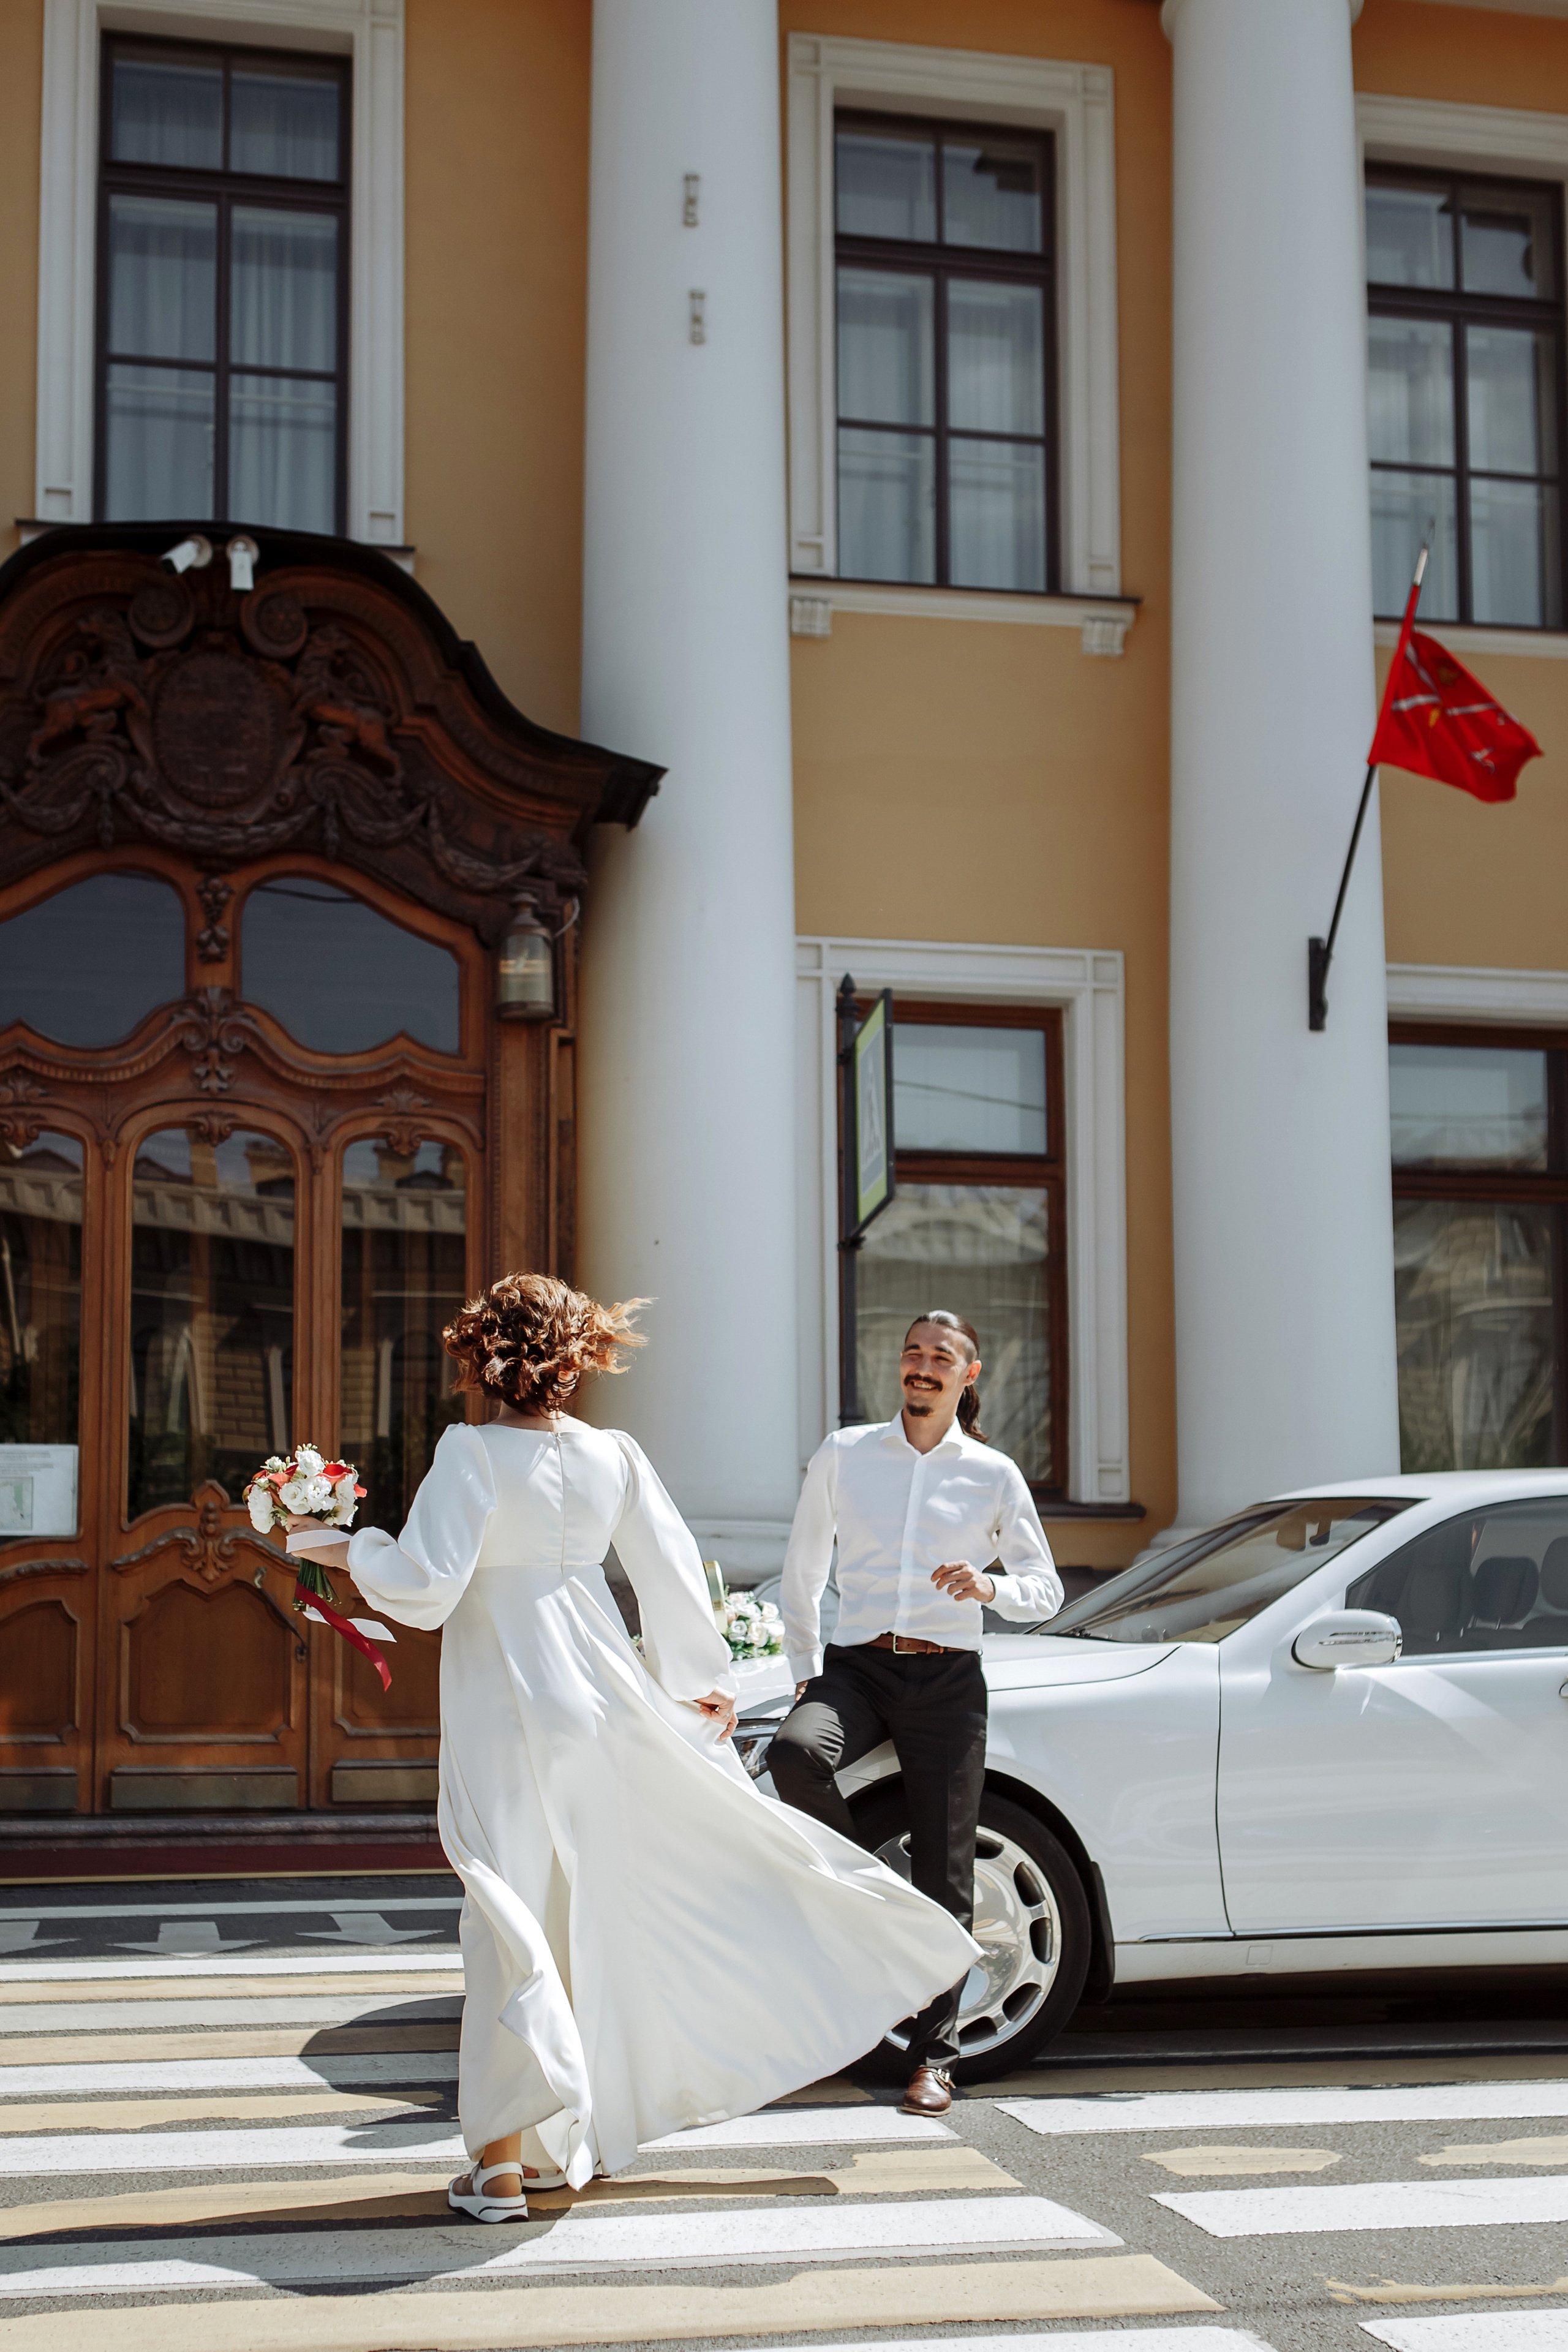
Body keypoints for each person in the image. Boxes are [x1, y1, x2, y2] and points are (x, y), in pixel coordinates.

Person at [287, 1274, 977, 2223]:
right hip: (600, 1695)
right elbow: (670, 1571)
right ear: (576, 1360)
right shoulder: (614, 1454)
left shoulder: (469, 1452)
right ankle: (573, 2132)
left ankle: (496, 2164)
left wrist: (342, 1547)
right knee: (584, 1911)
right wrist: (702, 1690)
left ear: (482, 1356)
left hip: (508, 1698)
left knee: (505, 1912)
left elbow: (429, 1586)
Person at [769, 1310, 1063, 2119]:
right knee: (795, 1755)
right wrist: (804, 1672)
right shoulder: (847, 1453)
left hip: (948, 1682)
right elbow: (804, 1566)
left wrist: (990, 1588)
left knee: (948, 1871)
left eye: (942, 1357)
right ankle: (866, 1888)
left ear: (969, 1376)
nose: (923, 1367)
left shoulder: (993, 1474)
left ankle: (936, 2058)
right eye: (912, 1354)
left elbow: (1046, 1590)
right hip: (859, 1668)